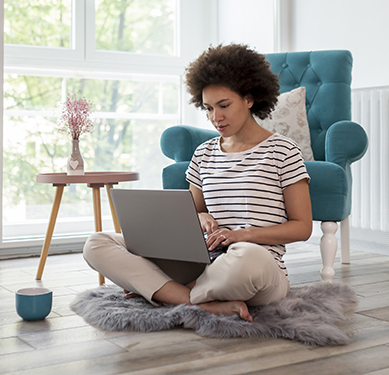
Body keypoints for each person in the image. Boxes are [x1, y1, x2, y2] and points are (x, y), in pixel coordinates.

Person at [83, 43, 313, 322]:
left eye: (224, 105)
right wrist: (201, 218)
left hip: (255, 267)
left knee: (247, 258)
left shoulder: (283, 151)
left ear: (249, 98)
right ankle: (198, 301)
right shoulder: (204, 153)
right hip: (204, 264)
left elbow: (302, 227)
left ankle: (163, 293)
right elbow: (191, 211)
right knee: (97, 243)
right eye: (208, 108)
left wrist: (242, 235)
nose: (216, 117)